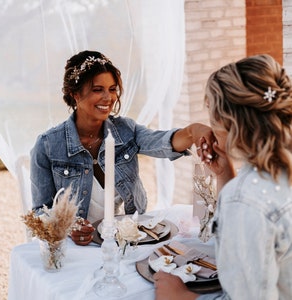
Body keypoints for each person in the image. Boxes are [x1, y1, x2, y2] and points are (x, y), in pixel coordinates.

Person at [30, 50, 215, 246]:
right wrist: (70, 228)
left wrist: (193, 131)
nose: (108, 97)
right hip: (77, 245)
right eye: (97, 89)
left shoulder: (126, 130)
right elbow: (41, 211)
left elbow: (162, 142)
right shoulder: (47, 145)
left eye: (112, 89)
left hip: (128, 239)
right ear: (75, 94)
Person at [154, 54, 292, 299]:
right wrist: (226, 175)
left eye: (213, 118)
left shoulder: (245, 199)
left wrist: (182, 296)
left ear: (232, 123)